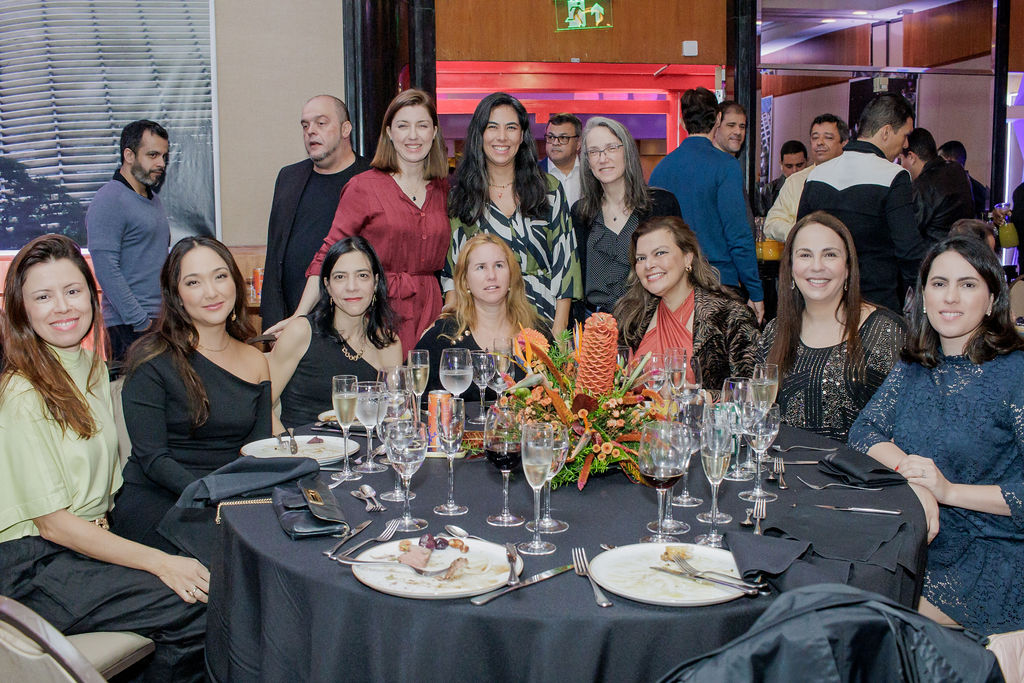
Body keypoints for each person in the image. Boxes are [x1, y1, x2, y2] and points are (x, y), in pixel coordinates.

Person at [0, 234, 207, 681]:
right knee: (195, 603)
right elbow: (53, 524)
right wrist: (161, 562)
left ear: (93, 298)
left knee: (213, 566)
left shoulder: (92, 367)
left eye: (72, 291)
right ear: (21, 310)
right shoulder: (22, 392)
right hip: (30, 564)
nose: (62, 307)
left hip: (82, 542)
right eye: (43, 296)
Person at [849, 235, 1024, 639]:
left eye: (968, 284)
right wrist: (916, 479)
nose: (950, 297)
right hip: (920, 535)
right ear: (923, 296)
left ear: (992, 298)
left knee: (855, 603)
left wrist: (948, 491)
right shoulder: (917, 366)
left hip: (994, 552)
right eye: (939, 283)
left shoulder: (1015, 373)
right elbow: (864, 432)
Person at [111, 236, 272, 552]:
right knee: (240, 556)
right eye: (193, 282)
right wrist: (214, 496)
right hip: (162, 499)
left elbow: (258, 450)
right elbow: (153, 459)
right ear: (176, 296)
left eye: (220, 276)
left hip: (229, 497)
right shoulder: (152, 359)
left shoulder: (255, 360)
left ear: (235, 282)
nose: (211, 292)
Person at [269, 89, 450, 351]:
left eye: (422, 125)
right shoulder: (363, 187)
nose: (413, 135)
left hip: (431, 315)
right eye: (403, 126)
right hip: (378, 313)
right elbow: (328, 253)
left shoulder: (443, 189)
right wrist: (300, 315)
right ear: (389, 133)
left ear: (434, 132)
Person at [759, 212, 906, 441]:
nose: (817, 266)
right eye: (805, 255)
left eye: (830, 255)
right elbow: (757, 413)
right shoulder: (774, 332)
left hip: (858, 465)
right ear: (790, 267)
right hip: (784, 462)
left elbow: (908, 425)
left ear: (848, 268)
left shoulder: (884, 332)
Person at [445, 92, 581, 335]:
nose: (502, 136)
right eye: (492, 127)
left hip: (542, 320)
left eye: (511, 127)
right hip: (482, 325)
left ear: (522, 135)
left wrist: (559, 334)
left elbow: (566, 265)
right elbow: (454, 269)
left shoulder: (548, 189)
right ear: (479, 134)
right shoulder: (461, 196)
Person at [798, 94, 924, 312]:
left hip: (822, 301)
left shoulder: (817, 175)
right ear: (886, 132)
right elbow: (908, 250)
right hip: (875, 301)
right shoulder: (894, 176)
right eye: (905, 135)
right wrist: (925, 294)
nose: (905, 144)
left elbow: (800, 241)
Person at [650, 88, 764, 322]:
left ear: (682, 122)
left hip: (673, 285)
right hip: (719, 282)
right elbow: (737, 234)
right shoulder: (726, 166)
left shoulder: (660, 170)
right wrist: (755, 290)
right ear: (718, 119)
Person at [260, 95, 371, 328]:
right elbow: (275, 255)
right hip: (294, 322)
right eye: (305, 125)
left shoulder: (373, 178)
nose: (310, 131)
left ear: (345, 129)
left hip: (356, 322)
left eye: (321, 123)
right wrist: (273, 321)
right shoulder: (289, 178)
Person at [616, 216, 759, 395]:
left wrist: (702, 398)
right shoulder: (632, 317)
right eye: (641, 258)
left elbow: (753, 391)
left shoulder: (729, 316)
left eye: (660, 253)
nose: (649, 265)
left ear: (687, 258)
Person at [269, 236, 402, 429]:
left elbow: (393, 415)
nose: (352, 287)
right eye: (340, 277)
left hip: (365, 446)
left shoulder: (388, 343)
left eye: (362, 276)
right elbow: (262, 406)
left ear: (375, 283)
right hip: (302, 444)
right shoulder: (301, 332)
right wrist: (288, 446)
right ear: (327, 286)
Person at [570, 116, 680, 317]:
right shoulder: (580, 213)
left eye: (611, 148)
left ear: (627, 152)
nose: (603, 158)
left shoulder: (661, 205)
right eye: (594, 152)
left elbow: (678, 268)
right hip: (594, 325)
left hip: (650, 321)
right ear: (587, 162)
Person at [418, 233, 543, 404]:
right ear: (465, 281)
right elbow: (412, 400)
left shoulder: (537, 333)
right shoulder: (443, 336)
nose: (491, 275)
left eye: (499, 265)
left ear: (511, 275)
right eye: (481, 267)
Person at [86, 119, 171, 365]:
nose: (161, 163)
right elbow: (106, 269)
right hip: (129, 327)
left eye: (164, 156)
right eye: (153, 155)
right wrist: (140, 321)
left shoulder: (152, 199)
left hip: (159, 322)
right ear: (129, 155)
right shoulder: (109, 199)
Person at [764, 114, 849, 241]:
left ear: (844, 143)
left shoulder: (853, 178)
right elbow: (771, 224)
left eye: (828, 137)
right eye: (815, 138)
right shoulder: (795, 181)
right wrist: (802, 233)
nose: (820, 142)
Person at [899, 128, 975, 249]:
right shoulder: (957, 171)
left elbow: (907, 233)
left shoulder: (923, 185)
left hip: (936, 254)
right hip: (962, 251)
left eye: (901, 160)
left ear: (911, 157)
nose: (900, 166)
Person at [540, 113, 583, 210]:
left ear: (578, 143)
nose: (555, 143)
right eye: (551, 137)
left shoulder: (592, 173)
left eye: (563, 138)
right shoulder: (532, 173)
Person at [937, 140, 989, 218]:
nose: (937, 167)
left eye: (939, 163)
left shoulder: (977, 191)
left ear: (949, 161)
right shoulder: (978, 189)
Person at [759, 140, 807, 216]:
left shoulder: (814, 187)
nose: (794, 170)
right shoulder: (770, 190)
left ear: (807, 162)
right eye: (789, 166)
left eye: (799, 165)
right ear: (781, 165)